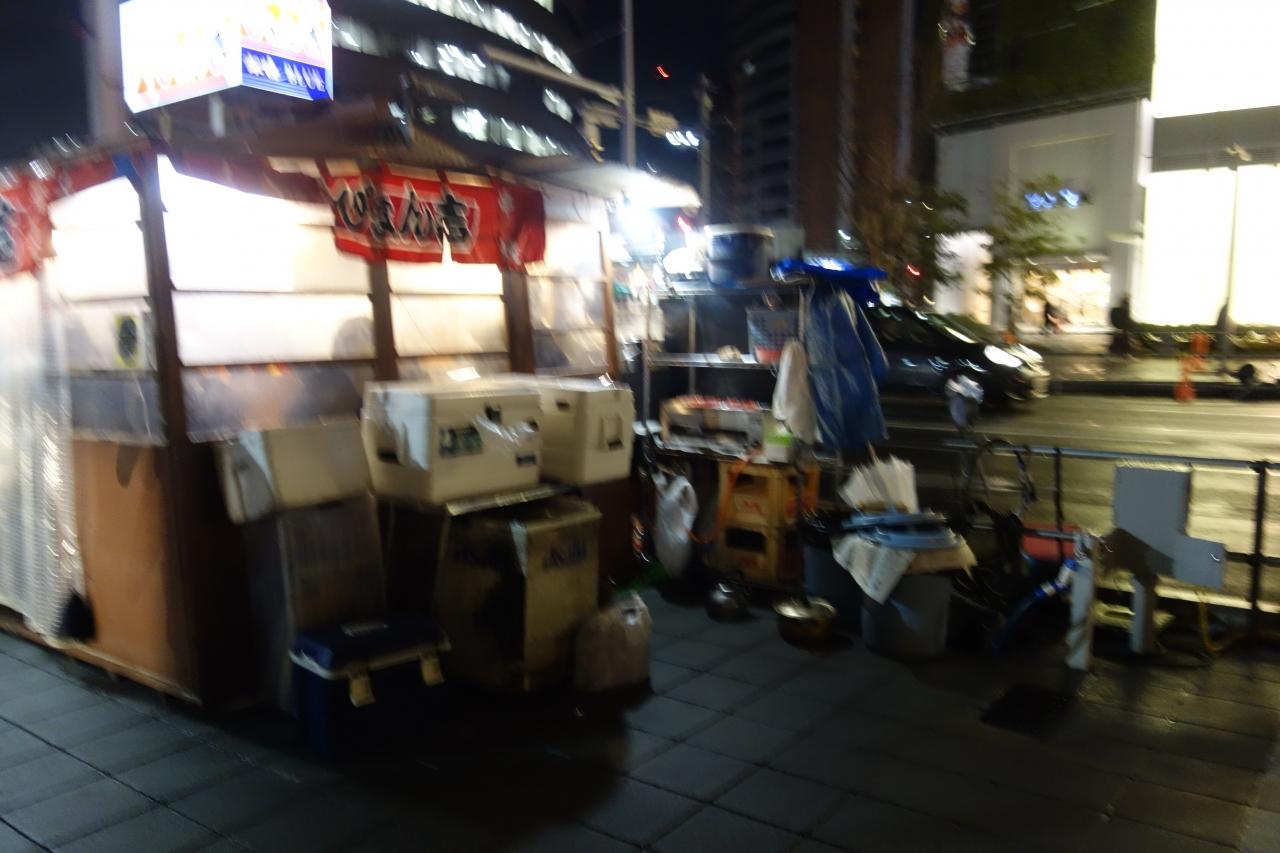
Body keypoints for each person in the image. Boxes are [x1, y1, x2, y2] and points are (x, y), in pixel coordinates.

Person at [1216, 300, 1235, 371]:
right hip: (1223, 334)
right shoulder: (1224, 311)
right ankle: (1223, 364)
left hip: (1224, 334)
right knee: (1223, 348)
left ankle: (1223, 364)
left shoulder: (1224, 312)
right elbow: (1220, 322)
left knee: (1224, 348)